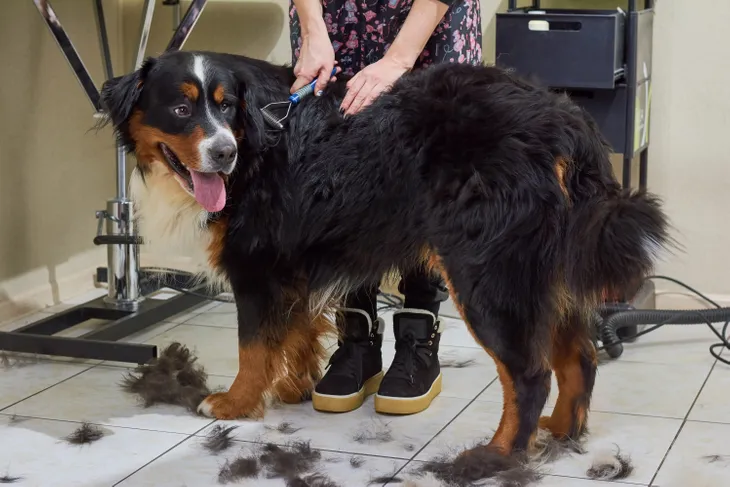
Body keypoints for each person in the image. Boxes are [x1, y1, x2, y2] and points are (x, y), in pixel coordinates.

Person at [289, 0, 482, 415]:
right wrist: (312, 28)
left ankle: (418, 341)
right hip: (335, 22)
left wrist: (397, 59)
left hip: (427, 26)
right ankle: (357, 341)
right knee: (341, 173)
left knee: (422, 177)